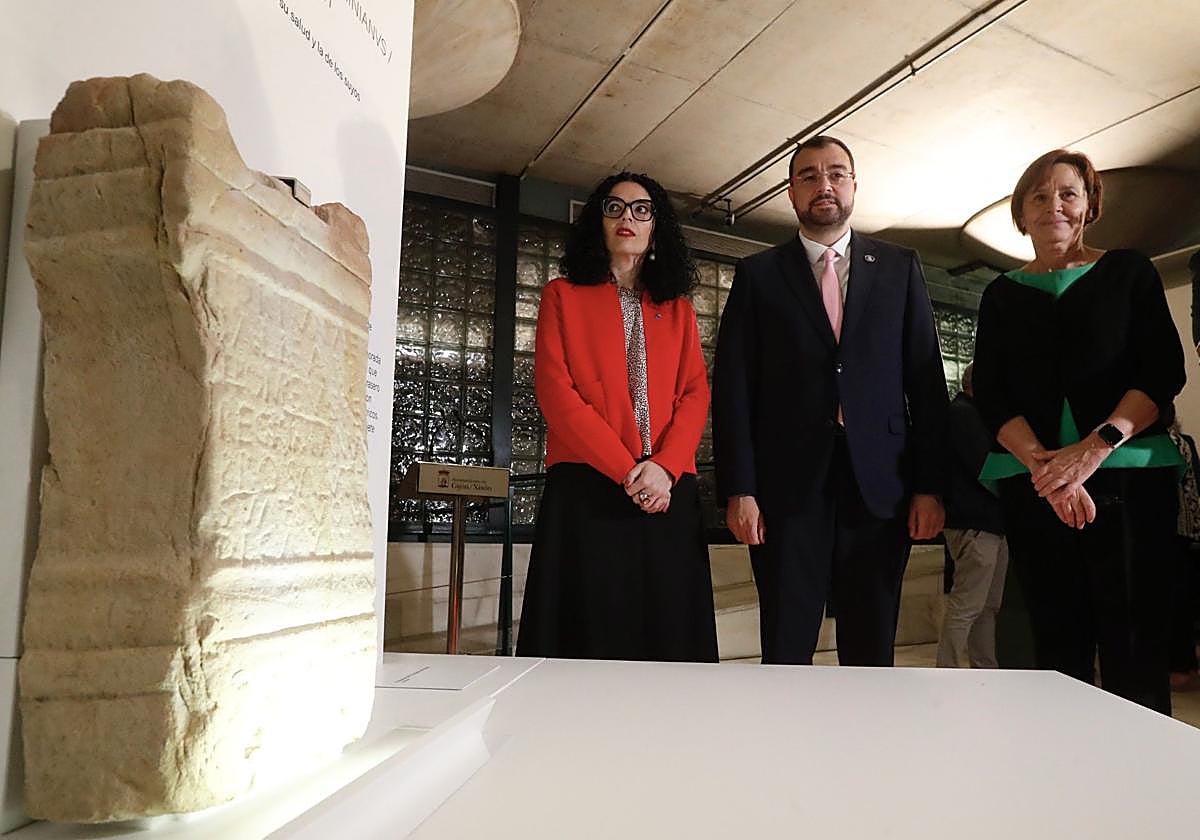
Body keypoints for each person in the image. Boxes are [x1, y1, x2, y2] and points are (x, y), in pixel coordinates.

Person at [712, 135, 949, 666]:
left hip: (880, 486)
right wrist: (739, 489)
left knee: (871, 645)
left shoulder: (898, 266)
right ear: (792, 193)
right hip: (784, 488)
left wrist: (930, 486)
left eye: (836, 173)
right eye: (810, 176)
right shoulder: (758, 276)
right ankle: (788, 746)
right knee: (787, 640)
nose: (825, 185)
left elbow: (926, 385)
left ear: (854, 185)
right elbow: (733, 390)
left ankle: (866, 747)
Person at [972, 149, 1186, 714]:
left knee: (1135, 644)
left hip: (1131, 482)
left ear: (1089, 205)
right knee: (1053, 643)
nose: (1054, 206)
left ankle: (1143, 782)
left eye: (1067, 193)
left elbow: (1162, 371)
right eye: (1038, 196)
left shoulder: (1129, 272)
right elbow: (991, 394)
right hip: (1033, 485)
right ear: (1021, 212)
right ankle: (1060, 779)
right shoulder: (1001, 295)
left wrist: (1094, 450)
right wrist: (1048, 467)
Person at [516, 171, 718, 662]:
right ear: (598, 223)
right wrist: (630, 471)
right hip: (589, 489)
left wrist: (664, 469)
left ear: (656, 228)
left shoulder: (681, 310)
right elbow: (556, 393)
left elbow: (694, 394)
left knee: (669, 634)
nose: (628, 217)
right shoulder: (561, 295)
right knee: (589, 633)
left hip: (667, 491)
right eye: (615, 207)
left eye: (641, 209)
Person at [936, 362, 1007, 668]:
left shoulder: (970, 413)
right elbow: (985, 469)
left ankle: (985, 669)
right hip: (974, 523)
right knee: (967, 605)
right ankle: (947, 669)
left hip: (988, 524)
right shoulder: (963, 414)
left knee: (987, 606)